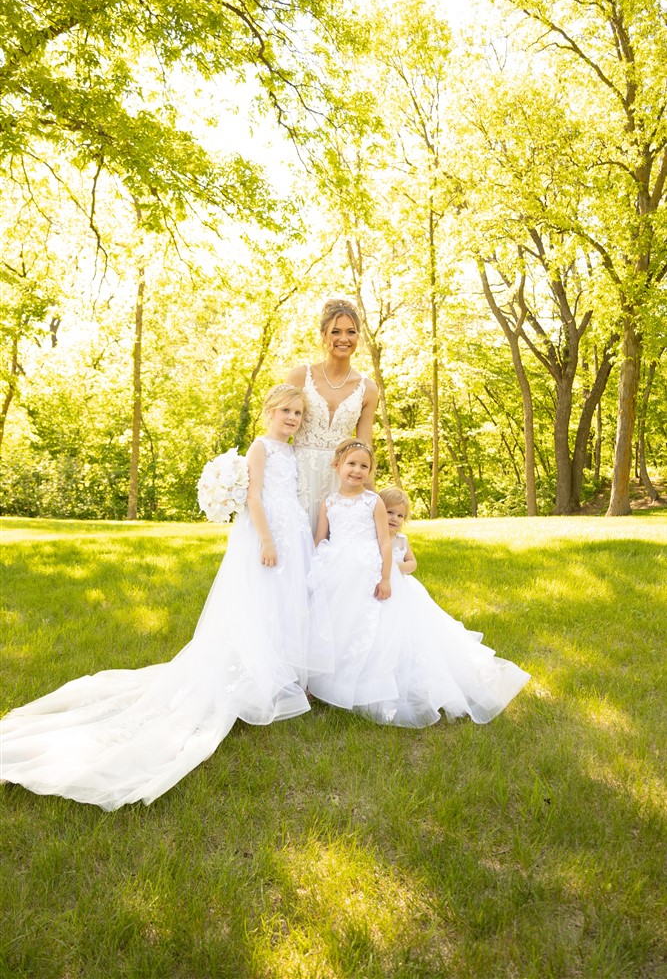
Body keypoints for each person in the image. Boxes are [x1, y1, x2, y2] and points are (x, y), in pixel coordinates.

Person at [0, 385, 330, 810]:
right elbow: (254, 497)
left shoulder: (291, 453)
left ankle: (276, 673)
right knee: (258, 603)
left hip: (294, 531)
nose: (292, 418)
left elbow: (289, 495)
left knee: (282, 607)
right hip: (268, 536)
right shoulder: (261, 447)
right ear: (269, 411)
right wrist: (266, 539)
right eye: (286, 410)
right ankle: (253, 672)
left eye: (299, 413)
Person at [307, 458, 530, 728]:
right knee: (343, 622)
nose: (394, 519)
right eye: (351, 464)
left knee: (388, 629)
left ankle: (378, 685)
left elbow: (388, 548)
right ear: (337, 466)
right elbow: (322, 537)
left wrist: (388, 575)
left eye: (399, 516)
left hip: (376, 573)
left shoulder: (373, 504)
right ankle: (332, 681)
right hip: (341, 570)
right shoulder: (330, 502)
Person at [286, 298, 379, 532]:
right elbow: (279, 429)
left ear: (358, 337)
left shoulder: (367, 388)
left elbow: (364, 446)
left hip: (340, 478)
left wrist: (371, 498)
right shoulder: (300, 376)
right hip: (299, 473)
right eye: (335, 331)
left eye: (351, 332)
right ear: (323, 335)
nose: (343, 339)